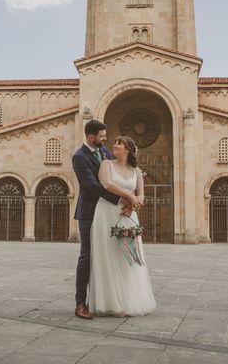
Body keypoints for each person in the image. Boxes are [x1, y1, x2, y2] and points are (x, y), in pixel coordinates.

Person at [72, 120, 139, 320]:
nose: (105, 139)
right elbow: (92, 185)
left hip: (109, 211)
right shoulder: (79, 157)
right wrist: (122, 199)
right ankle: (81, 303)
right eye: (101, 136)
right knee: (87, 254)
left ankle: (110, 299)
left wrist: (128, 201)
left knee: (109, 254)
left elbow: (118, 174)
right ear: (90, 136)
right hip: (89, 212)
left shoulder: (105, 153)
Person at [89, 135, 156, 316]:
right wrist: (129, 196)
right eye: (115, 142)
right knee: (109, 255)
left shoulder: (136, 171)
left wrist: (134, 202)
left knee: (127, 256)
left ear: (127, 149)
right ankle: (112, 303)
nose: (115, 145)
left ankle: (129, 301)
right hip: (107, 212)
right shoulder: (106, 164)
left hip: (128, 214)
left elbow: (141, 194)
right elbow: (106, 184)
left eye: (119, 143)